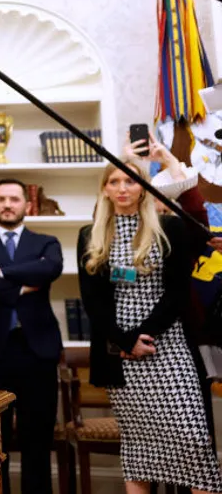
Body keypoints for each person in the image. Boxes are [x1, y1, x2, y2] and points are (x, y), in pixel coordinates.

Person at [77, 148, 222, 494]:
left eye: (131, 180)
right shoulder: (91, 234)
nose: (123, 188)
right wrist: (124, 341)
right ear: (105, 190)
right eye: (114, 182)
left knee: (193, 441)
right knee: (139, 450)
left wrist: (144, 335)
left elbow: (175, 293)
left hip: (167, 345)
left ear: (144, 187)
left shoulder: (167, 226)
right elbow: (92, 300)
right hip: (120, 354)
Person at [0, 178, 63, 494]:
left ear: (27, 205)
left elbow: (50, 269)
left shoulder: (46, 242)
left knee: (38, 440)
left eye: (14, 199)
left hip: (37, 351)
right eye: (1, 199)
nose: (7, 204)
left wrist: (4, 274)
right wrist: (24, 283)